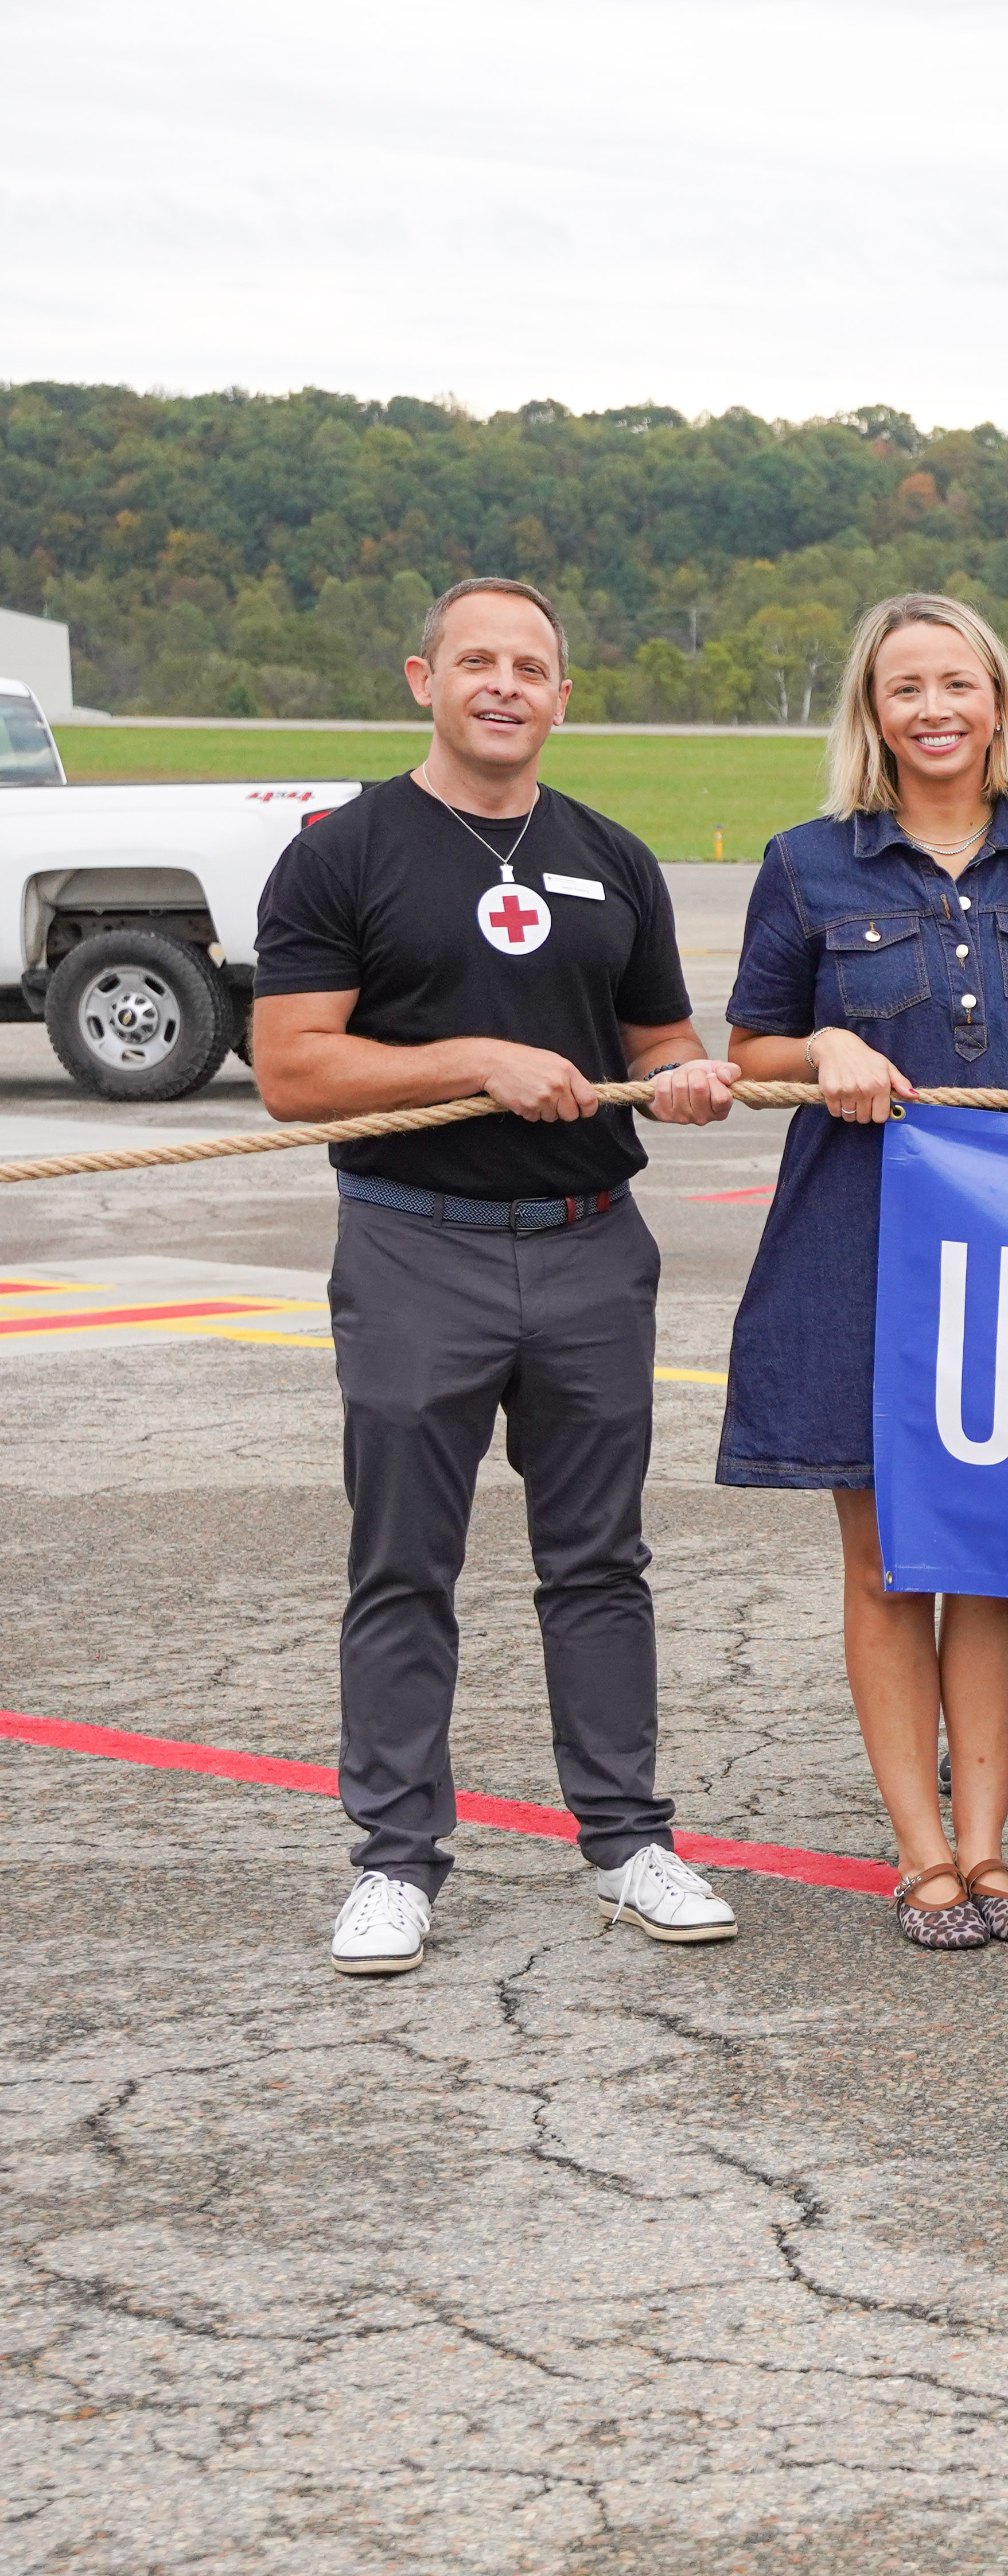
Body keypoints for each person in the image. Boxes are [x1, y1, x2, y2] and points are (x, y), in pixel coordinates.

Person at [249, 576, 745, 1978]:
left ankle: (627, 1838)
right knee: (404, 1562)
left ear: (563, 695)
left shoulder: (613, 855)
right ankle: (395, 1860)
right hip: (416, 1243)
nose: (505, 685)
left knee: (600, 1561)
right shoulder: (346, 852)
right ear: (425, 677)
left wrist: (680, 1082)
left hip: (593, 1240)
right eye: (479, 660)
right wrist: (474, 1060)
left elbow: (654, 1040)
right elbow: (294, 1069)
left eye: (533, 666)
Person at [718, 593, 1008, 1951]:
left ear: (999, 703)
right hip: (857, 1239)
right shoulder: (806, 861)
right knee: (887, 1557)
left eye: (959, 682)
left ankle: (995, 1851)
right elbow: (751, 1041)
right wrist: (816, 1050)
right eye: (906, 688)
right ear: (872, 713)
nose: (935, 708)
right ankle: (921, 1856)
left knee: (990, 1549)